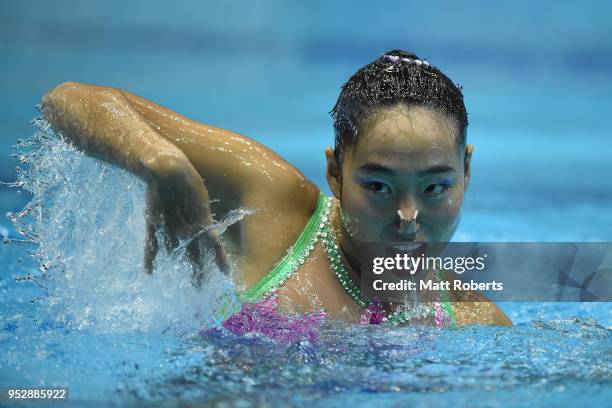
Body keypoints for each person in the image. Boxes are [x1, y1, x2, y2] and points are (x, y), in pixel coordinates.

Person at [41, 49, 512, 327]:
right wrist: (161, 162)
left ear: (465, 173)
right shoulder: (272, 204)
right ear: (335, 173)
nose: (407, 218)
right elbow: (68, 100)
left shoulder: (472, 320)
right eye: (378, 186)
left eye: (434, 188)